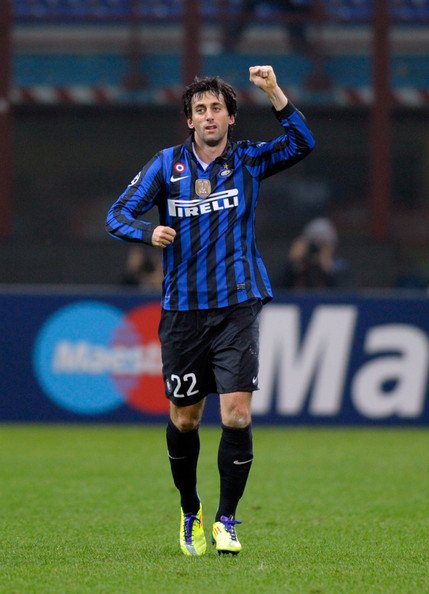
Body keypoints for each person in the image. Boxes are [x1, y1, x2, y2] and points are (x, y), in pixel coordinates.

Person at [106, 65, 315, 556]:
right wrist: (148, 232)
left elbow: (302, 142)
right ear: (189, 120)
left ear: (230, 118)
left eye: (216, 108)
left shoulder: (248, 160)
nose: (208, 116)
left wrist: (274, 91)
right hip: (183, 311)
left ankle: (226, 519)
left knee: (236, 414)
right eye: (199, 109)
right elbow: (116, 215)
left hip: (238, 304)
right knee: (185, 420)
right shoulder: (166, 165)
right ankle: (190, 510)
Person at [283, 217, 344, 288]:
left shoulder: (340, 266)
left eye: (323, 244)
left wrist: (326, 267)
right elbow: (277, 289)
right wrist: (293, 263)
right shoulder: (298, 266)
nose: (317, 249)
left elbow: (344, 292)